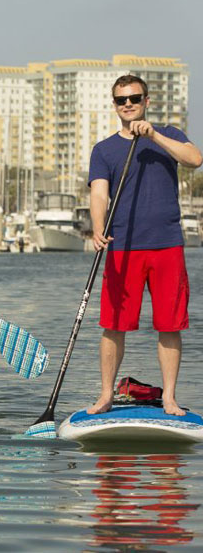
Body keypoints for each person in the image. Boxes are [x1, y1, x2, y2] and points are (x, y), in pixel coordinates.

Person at [87, 75, 202, 416]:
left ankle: (169, 397)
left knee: (170, 324)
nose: (128, 104)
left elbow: (195, 159)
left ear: (146, 100)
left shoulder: (168, 135)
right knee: (114, 324)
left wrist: (154, 135)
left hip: (166, 244)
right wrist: (97, 228)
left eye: (134, 98)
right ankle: (106, 394)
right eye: (121, 100)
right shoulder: (104, 150)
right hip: (123, 247)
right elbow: (99, 192)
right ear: (114, 105)